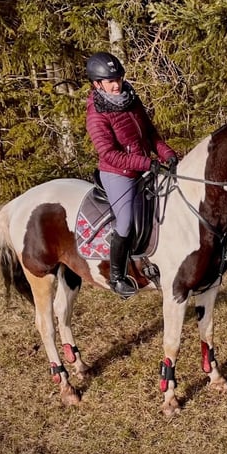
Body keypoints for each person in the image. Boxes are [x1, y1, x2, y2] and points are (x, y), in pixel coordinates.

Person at [85, 51, 178, 298]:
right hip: (118, 174)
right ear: (97, 84)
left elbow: (149, 132)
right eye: (110, 81)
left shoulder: (130, 99)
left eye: (118, 78)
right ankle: (116, 277)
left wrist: (166, 153)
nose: (116, 84)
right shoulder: (96, 115)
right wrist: (146, 163)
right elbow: (109, 154)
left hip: (143, 166)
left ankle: (153, 263)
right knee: (125, 221)